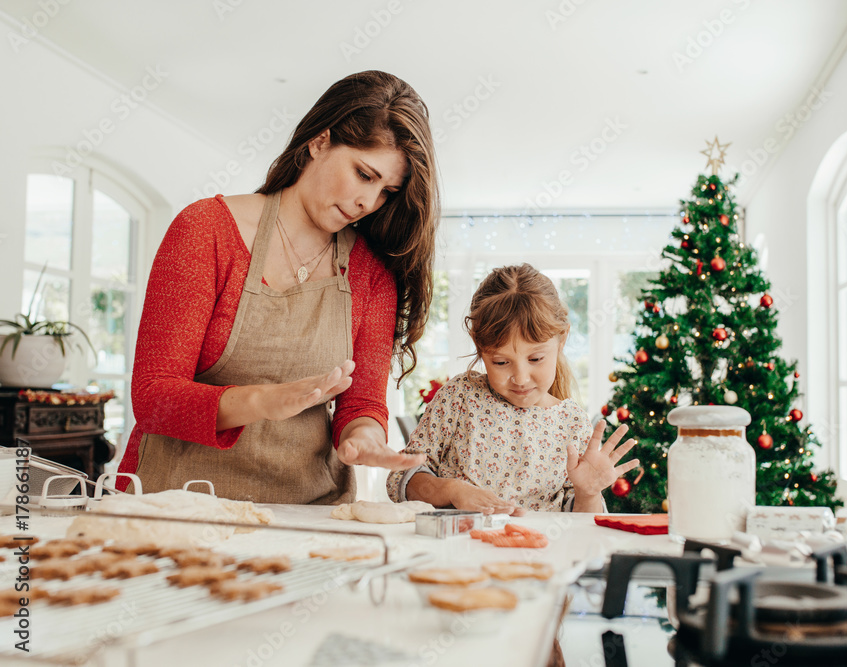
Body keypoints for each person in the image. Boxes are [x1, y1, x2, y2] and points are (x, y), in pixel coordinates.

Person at [115, 70, 438, 504]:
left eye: (387, 191)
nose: (370, 202)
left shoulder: (372, 274)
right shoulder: (207, 230)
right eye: (364, 174)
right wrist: (263, 402)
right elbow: (152, 398)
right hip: (177, 504)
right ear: (320, 141)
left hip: (308, 515)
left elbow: (361, 402)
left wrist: (366, 436)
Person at [387, 264, 638, 513]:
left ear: (561, 340)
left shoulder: (572, 423)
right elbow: (402, 477)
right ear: (478, 346)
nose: (520, 378)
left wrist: (588, 492)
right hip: (459, 551)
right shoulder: (460, 397)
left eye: (535, 359)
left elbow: (578, 526)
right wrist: (451, 491)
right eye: (501, 362)